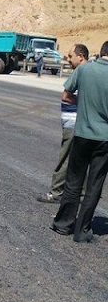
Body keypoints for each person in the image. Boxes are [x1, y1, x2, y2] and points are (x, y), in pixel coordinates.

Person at [50, 41, 108, 243]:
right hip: (104, 139)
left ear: (101, 53)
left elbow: (66, 96)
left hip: (82, 134)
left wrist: (82, 102)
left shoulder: (84, 69)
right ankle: (82, 230)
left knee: (74, 180)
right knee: (94, 185)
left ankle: (63, 223)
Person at [37, 44, 89, 204]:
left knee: (65, 158)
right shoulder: (90, 72)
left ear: (80, 56)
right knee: (82, 160)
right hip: (80, 123)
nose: (68, 59)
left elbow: (66, 96)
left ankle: (56, 192)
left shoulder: (81, 71)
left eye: (70, 56)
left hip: (72, 124)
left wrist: (84, 102)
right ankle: (81, 194)